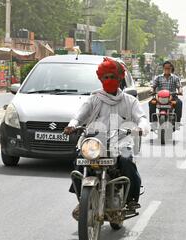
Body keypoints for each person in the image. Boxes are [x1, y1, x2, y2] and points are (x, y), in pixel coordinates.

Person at [64, 58, 150, 221]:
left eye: (112, 76)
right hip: (96, 142)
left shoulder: (130, 101)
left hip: (122, 141)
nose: (109, 80)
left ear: (119, 78)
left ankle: (132, 199)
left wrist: (141, 127)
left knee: (127, 162)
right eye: (106, 77)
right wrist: (72, 125)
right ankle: (83, 199)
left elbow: (142, 118)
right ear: (101, 78)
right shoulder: (94, 99)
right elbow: (79, 116)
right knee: (79, 160)